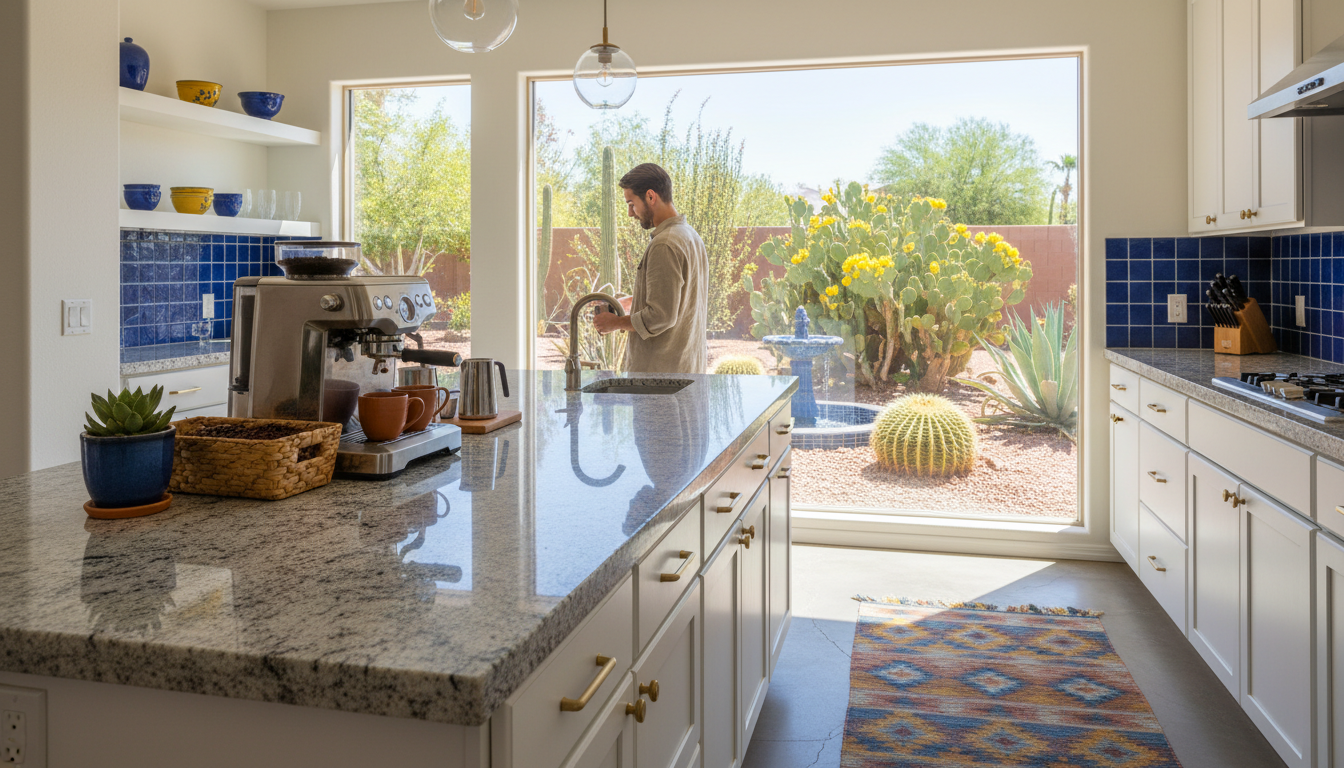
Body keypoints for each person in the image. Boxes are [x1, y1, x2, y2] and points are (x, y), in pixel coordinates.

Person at [592, 163, 709, 374]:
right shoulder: (690, 236)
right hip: (685, 370)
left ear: (650, 196)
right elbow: (676, 299)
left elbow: (661, 316)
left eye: (631, 203)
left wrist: (616, 323)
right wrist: (630, 302)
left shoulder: (665, 243)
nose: (630, 213)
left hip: (660, 378)